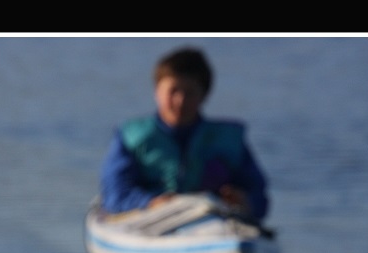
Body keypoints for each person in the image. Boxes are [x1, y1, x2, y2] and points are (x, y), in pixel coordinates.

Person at [99, 47, 270, 222]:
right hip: (150, 224)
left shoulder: (229, 140)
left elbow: (259, 196)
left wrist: (245, 202)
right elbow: (115, 194)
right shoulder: (132, 137)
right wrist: (150, 203)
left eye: (189, 92)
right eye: (173, 91)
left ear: (204, 95)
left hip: (212, 225)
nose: (180, 101)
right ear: (156, 91)